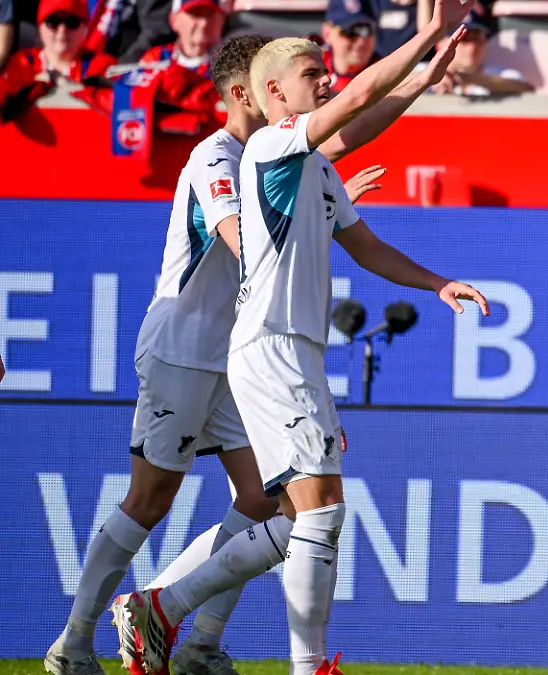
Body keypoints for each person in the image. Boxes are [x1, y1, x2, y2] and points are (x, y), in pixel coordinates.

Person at [110, 2, 486, 674]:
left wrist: (437, 282)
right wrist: (425, 36)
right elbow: (361, 99)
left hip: (290, 349)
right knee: (320, 514)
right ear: (271, 93)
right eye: (313, 72)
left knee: (295, 518)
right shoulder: (270, 146)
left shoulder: (311, 165)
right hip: (273, 345)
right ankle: (297, 660)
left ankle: (162, 609)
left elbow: (366, 241)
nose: (328, 79)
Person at [41, 33, 393, 675]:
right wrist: (310, 217)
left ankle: (193, 636)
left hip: (236, 356)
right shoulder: (215, 158)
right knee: (149, 500)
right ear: (247, 92)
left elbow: (345, 135)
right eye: (278, 80)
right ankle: (73, 641)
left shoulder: (283, 156)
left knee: (265, 501)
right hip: (183, 348)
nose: (296, 91)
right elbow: (247, 241)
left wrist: (419, 81)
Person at [0, 0, 113, 121]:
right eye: (53, 22)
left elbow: (119, 105)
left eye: (72, 22)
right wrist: (39, 86)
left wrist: (77, 89)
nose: (62, 30)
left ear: (85, 27)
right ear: (40, 26)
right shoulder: (21, 63)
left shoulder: (103, 66)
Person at [417, 12, 533, 96]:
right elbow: (399, 81)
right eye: (463, 39)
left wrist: (478, 80)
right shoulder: (424, 70)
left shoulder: (498, 73)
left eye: (477, 38)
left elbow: (526, 89)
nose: (472, 46)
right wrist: (430, 78)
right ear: (440, 45)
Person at [138, 0, 227, 73]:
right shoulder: (156, 58)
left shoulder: (231, 63)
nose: (204, 23)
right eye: (195, 14)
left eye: (209, 14)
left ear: (222, 19)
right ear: (174, 20)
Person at [321, 0, 379, 95]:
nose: (361, 41)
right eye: (350, 32)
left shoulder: (387, 75)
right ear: (327, 33)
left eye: (367, 30)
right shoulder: (310, 71)